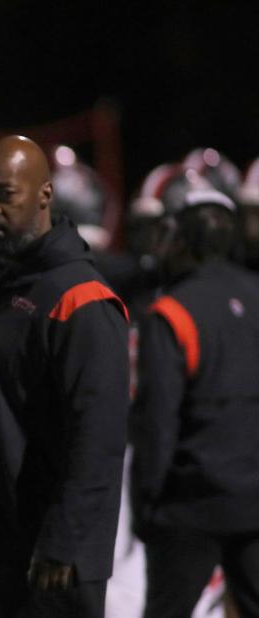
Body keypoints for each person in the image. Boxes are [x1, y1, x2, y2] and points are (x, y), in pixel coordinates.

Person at [0, 135, 130, 617]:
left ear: (44, 196)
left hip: (43, 558)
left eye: (4, 194)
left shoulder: (82, 299)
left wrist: (65, 541)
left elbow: (97, 438)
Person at [130, 185, 259, 617]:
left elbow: (157, 419)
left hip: (190, 504)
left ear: (180, 240)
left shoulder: (172, 311)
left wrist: (147, 503)